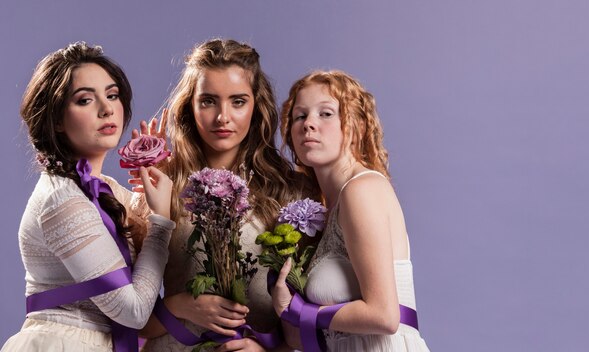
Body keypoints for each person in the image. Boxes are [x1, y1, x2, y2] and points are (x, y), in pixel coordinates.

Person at [131, 39, 311, 352]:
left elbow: (311, 319)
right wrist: (179, 305)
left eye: (238, 101)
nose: (222, 117)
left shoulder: (290, 191)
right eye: (208, 101)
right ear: (190, 105)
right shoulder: (161, 185)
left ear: (257, 105)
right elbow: (125, 315)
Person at [1, 42, 175, 352]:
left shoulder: (101, 188)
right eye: (85, 100)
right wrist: (161, 223)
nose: (107, 109)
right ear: (55, 118)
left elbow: (151, 245)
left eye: (112, 95)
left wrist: (154, 174)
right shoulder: (62, 201)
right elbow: (133, 311)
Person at [272, 70, 430, 351]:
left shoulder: (361, 190)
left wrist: (300, 312)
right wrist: (283, 303)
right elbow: (312, 338)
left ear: (355, 125)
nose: (309, 124)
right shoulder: (325, 210)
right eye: (300, 115)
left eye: (326, 113)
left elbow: (384, 316)